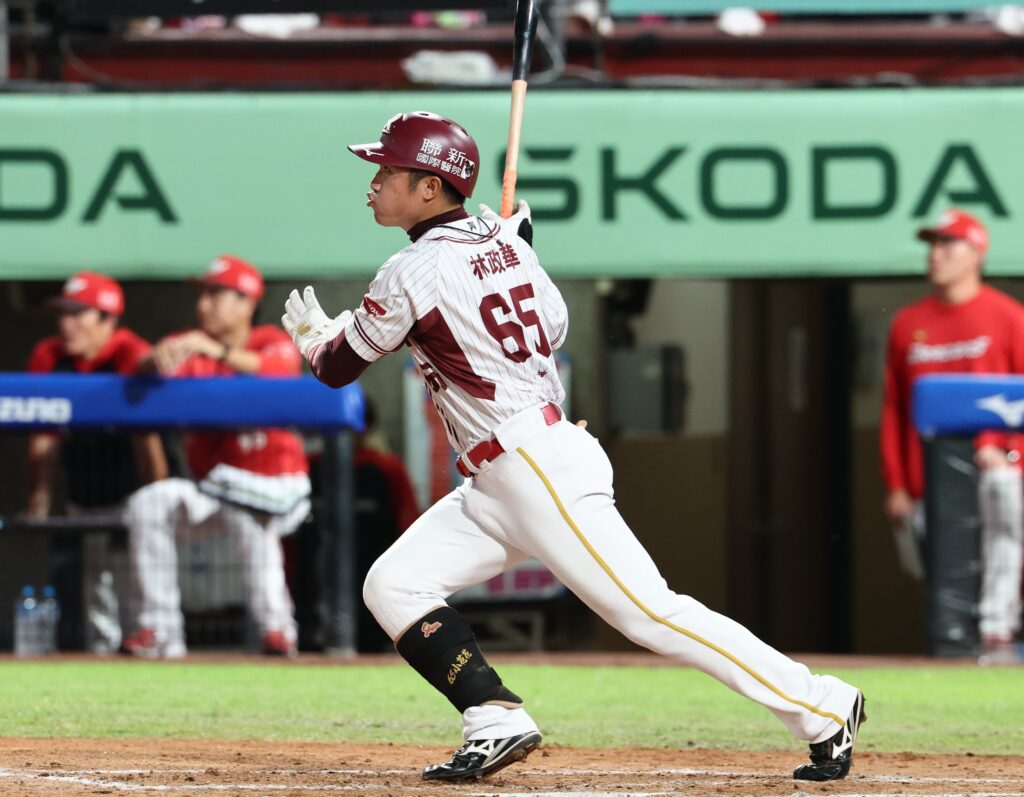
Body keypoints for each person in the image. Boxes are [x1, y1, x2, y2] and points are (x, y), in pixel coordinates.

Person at [282, 111, 865, 782]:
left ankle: (821, 704)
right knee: (394, 583)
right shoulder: (508, 245)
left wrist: (316, 338)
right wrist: (517, 251)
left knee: (650, 614)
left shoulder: (412, 266)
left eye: (388, 170)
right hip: (503, 476)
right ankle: (494, 716)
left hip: (533, 465)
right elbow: (553, 328)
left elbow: (336, 368)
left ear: (430, 187)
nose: (375, 181)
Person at [121, 255, 311, 658]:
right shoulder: (192, 346)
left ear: (246, 302)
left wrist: (217, 351)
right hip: (216, 488)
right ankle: (160, 629)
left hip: (279, 486)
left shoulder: (268, 339)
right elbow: (140, 366)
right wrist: (152, 360)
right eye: (203, 295)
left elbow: (281, 369)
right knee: (149, 503)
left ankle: (277, 629)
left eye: (215, 294)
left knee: (247, 509)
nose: (203, 304)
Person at [882, 209, 1024, 661]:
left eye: (948, 244)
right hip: (929, 485)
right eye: (932, 244)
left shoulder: (1009, 316)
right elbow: (894, 408)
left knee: (1001, 581)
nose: (936, 254)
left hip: (999, 477)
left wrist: (1013, 453)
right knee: (944, 587)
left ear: (976, 252)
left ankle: (999, 651)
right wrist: (896, 484)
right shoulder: (908, 322)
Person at [25, 271, 168, 653]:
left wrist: (156, 496)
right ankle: (104, 657)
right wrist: (40, 494)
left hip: (132, 493)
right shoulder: (49, 355)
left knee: (140, 583)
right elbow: (43, 435)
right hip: (84, 489)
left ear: (108, 319)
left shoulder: (128, 350)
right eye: (63, 313)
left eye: (78, 313)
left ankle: (157, 651)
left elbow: (148, 435)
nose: (66, 323)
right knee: (96, 589)